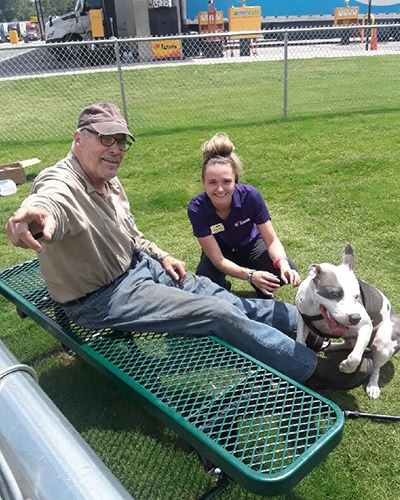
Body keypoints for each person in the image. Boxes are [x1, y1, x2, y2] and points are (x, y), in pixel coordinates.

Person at [5, 103, 372, 391]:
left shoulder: (109, 183)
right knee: (215, 313)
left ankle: (310, 325)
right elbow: (50, 201)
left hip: (139, 267)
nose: (116, 149)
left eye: (121, 141)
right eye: (105, 139)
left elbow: (130, 234)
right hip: (102, 298)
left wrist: (161, 255)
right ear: (78, 138)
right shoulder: (63, 182)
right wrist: (35, 215)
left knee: (219, 294)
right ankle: (314, 370)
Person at [188, 133, 300, 299]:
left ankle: (262, 288)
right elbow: (218, 259)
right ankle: (223, 288)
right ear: (203, 182)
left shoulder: (251, 196)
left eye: (226, 181)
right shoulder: (196, 208)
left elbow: (271, 240)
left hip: (251, 244)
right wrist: (251, 275)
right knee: (204, 285)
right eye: (212, 182)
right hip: (221, 250)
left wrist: (282, 263)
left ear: (235, 181)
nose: (220, 189)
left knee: (286, 268)